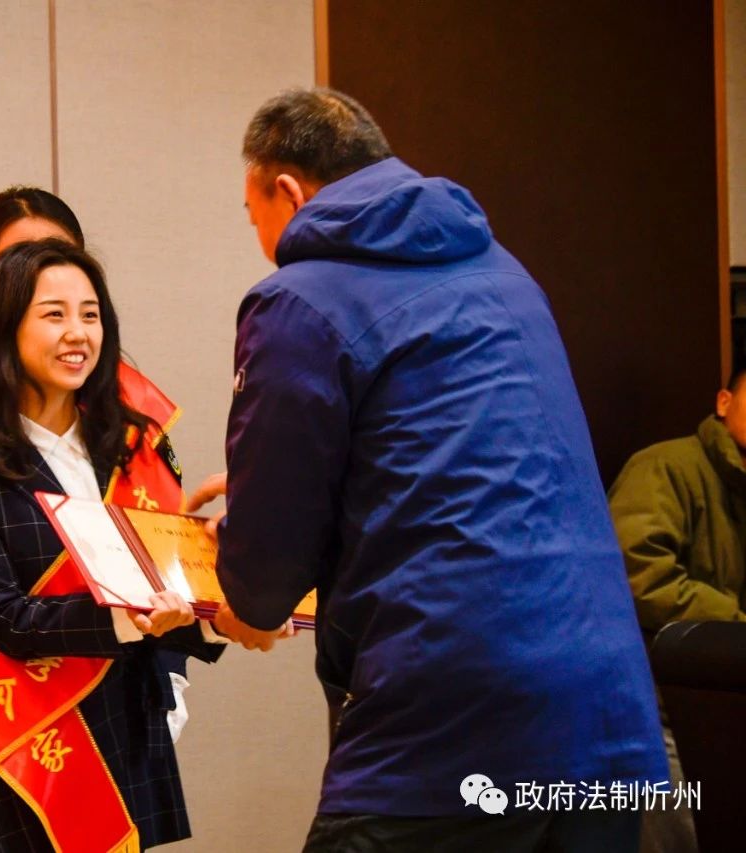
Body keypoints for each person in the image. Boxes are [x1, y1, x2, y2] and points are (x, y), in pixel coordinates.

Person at [187, 88, 667, 851]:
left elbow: (263, 582)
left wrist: (239, 562)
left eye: (255, 217)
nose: (263, 240)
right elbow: (446, 471)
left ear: (288, 191)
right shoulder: (505, 275)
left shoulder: (296, 299)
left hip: (446, 719)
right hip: (606, 717)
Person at [0, 238, 220, 852]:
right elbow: (5, 617)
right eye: (54, 315)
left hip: (120, 732)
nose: (78, 333)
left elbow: (168, 584)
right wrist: (132, 620)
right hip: (12, 754)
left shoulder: (130, 445)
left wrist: (224, 610)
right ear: (4, 327)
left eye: (91, 314)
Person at [607, 371, 746, 852]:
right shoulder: (667, 466)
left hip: (718, 696)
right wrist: (737, 629)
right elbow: (639, 573)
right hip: (658, 701)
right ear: (724, 402)